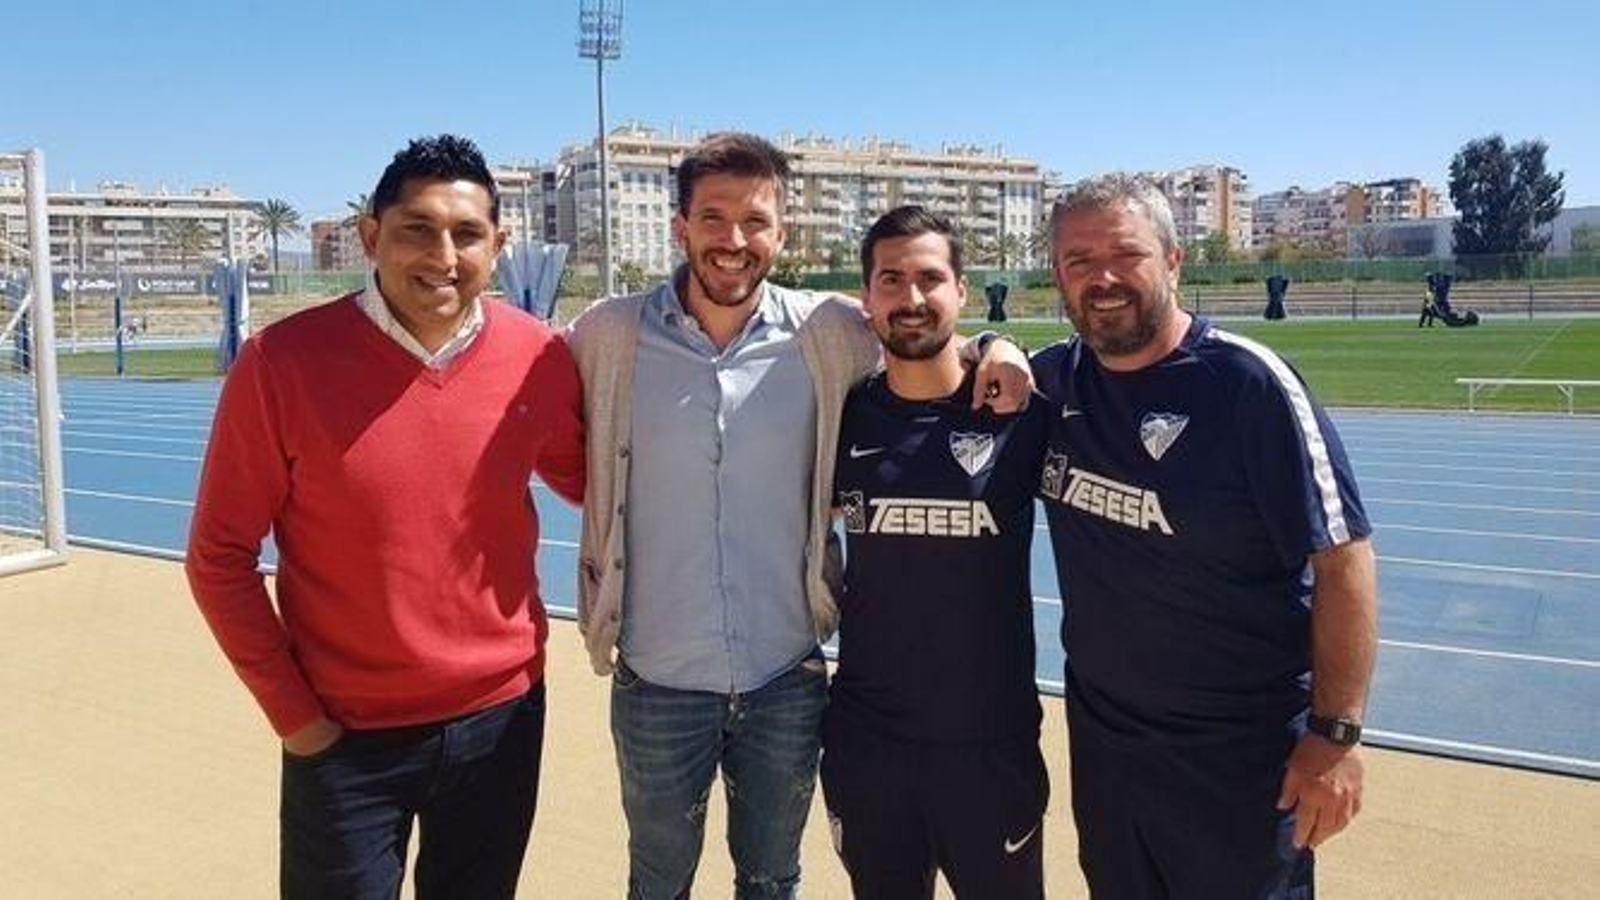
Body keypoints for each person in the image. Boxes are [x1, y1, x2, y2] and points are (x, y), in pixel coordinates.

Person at [565, 133, 1031, 899]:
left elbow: (920, 329)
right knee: (656, 881)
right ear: (680, 227)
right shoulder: (608, 336)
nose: (734, 240)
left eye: (756, 221)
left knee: (773, 878)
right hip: (656, 679)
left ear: (781, 233)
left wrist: (997, 343)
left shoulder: (829, 332)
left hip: (785, 676)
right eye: (713, 217)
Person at [185, 134, 585, 899]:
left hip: (500, 722)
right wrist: (297, 720)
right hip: (343, 737)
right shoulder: (280, 363)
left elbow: (598, 483)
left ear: (498, 246)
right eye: (416, 229)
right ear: (371, 236)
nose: (443, 254)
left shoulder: (539, 357)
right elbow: (219, 558)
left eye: (468, 234)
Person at [1032, 174, 1378, 898]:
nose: (1103, 278)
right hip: (1108, 756)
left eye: (1125, 254)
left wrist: (1336, 736)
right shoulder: (1050, 384)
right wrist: (995, 345)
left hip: (1242, 765)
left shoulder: (1247, 385)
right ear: (1057, 276)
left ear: (1173, 260)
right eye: (1078, 260)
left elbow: (1344, 562)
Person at [822, 206, 1050, 899]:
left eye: (930, 278)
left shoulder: (1021, 409)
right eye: (890, 280)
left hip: (991, 749)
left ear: (963, 291)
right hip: (869, 748)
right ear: (866, 299)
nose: (911, 298)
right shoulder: (840, 415)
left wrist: (1001, 345)